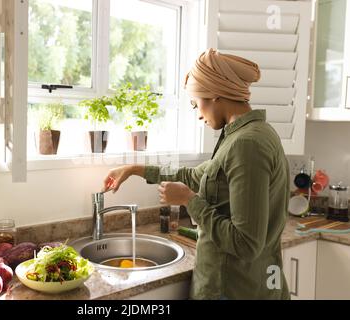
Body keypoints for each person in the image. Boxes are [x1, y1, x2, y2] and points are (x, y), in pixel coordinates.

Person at [101, 48, 291, 300]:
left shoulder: (247, 144)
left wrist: (189, 201)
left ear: (214, 95)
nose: (198, 114)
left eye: (196, 103)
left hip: (233, 288)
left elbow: (246, 244)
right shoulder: (244, 134)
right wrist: (135, 169)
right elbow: (194, 175)